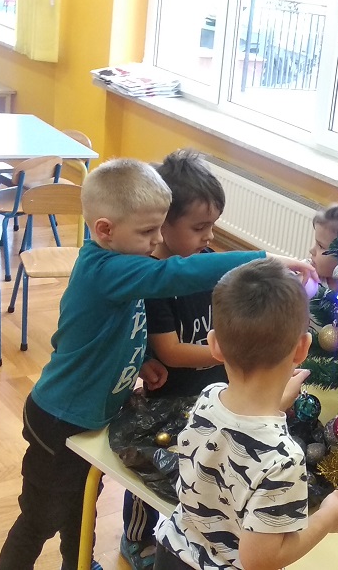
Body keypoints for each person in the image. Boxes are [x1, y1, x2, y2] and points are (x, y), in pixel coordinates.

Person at [0, 158, 316, 570]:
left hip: (86, 418)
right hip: (58, 421)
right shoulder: (104, 269)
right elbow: (173, 275)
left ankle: (77, 564)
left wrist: (142, 360)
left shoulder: (119, 266)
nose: (157, 240)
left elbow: (114, 330)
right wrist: (263, 259)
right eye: (148, 231)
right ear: (105, 230)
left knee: (80, 506)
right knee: (39, 520)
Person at [154, 258, 338, 570]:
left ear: (214, 345)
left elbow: (234, 435)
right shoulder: (283, 459)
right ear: (302, 349)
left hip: (171, 553)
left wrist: (275, 405)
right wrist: (326, 519)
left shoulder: (208, 397)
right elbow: (260, 560)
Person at [120, 149, 230, 570]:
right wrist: (228, 352)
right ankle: (136, 538)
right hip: (166, 402)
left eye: (212, 226)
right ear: (163, 224)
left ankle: (183, 532)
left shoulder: (207, 263)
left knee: (197, 470)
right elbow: (170, 351)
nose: (209, 237)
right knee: (151, 472)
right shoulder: (153, 278)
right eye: (199, 227)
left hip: (209, 394)